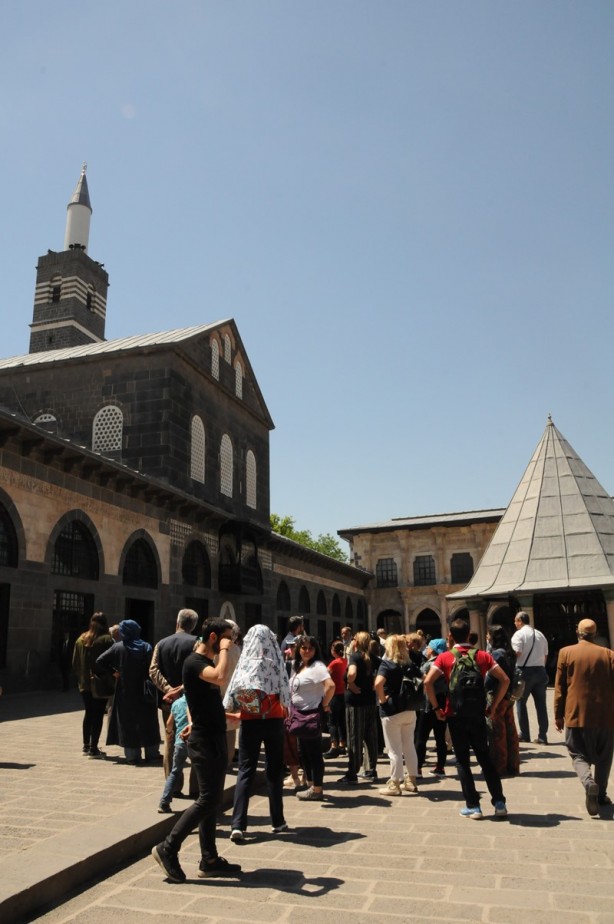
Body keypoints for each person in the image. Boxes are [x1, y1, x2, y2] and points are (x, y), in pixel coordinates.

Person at [152, 618, 241, 883]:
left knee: (210, 801)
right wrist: (225, 649)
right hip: (205, 741)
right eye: (225, 638)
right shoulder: (197, 661)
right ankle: (168, 847)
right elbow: (221, 676)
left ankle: (209, 859)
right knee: (207, 800)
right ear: (213, 637)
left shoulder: (197, 663)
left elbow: (195, 694)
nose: (229, 643)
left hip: (209, 734)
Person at [424, 618, 509, 819]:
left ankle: (473, 806)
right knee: (485, 758)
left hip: (455, 714)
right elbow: (504, 680)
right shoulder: (483, 656)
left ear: (451, 636)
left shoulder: (445, 657)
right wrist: (493, 706)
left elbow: (428, 682)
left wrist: (436, 708)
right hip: (478, 714)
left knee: (462, 760)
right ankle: (499, 803)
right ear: (469, 633)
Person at [223, 624, 290, 839]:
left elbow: (230, 698)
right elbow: (286, 693)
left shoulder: (244, 661)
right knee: (274, 771)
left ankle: (238, 824)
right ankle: (277, 821)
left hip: (250, 722)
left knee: (246, 771)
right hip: (274, 720)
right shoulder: (276, 660)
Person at [554, 618, 614, 816]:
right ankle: (601, 794)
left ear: (577, 633)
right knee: (605, 756)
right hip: (605, 715)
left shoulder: (566, 652)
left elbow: (560, 687)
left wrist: (558, 714)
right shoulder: (608, 654)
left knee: (577, 754)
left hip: (575, 713)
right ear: (595, 634)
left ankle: (589, 783)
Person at [95, 619, 161, 764]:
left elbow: (99, 661)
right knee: (148, 721)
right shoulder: (146, 647)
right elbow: (153, 667)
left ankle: (132, 756)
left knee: (128, 723)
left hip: (126, 691)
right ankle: (152, 753)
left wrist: (113, 672)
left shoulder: (118, 648)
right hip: (145, 690)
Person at [149, 608, 199, 786]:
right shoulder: (197, 643)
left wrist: (168, 689)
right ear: (194, 626)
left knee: (170, 739)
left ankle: (173, 784)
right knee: (194, 739)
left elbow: (153, 670)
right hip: (192, 700)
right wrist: (182, 690)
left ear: (177, 623)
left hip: (168, 701)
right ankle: (195, 786)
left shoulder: (161, 643)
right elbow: (198, 670)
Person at [289, 634, 335, 801]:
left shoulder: (317, 666)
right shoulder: (300, 665)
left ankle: (317, 789)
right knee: (304, 752)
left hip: (311, 714)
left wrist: (324, 704)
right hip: (299, 714)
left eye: (310, 648)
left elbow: (330, 686)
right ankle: (310, 784)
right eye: (303, 648)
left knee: (314, 752)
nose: (307, 651)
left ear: (316, 650)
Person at [374, 634, 420, 796]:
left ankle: (395, 783)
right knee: (409, 745)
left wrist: (382, 700)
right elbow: (424, 679)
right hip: (409, 709)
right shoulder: (409, 664)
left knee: (393, 749)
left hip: (391, 710)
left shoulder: (387, 664)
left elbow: (378, 683)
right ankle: (411, 780)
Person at [339, 630, 379, 785]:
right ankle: (371, 770)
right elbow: (379, 678)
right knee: (371, 736)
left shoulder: (355, 656)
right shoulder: (374, 658)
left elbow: (351, 673)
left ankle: (352, 771)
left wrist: (351, 683)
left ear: (357, 642)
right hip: (369, 700)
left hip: (355, 702)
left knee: (355, 736)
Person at [72, 612, 114, 757]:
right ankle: (94, 748)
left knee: (89, 713)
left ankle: (86, 745)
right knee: (98, 715)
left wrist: (81, 678)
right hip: (100, 683)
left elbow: (75, 663)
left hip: (84, 684)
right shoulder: (105, 640)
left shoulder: (80, 639)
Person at [485, 625, 520, 776]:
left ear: (493, 637)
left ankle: (498, 767)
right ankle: (512, 765)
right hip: (508, 696)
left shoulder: (497, 654)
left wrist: (492, 703)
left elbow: (496, 679)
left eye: (488, 635)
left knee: (497, 732)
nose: (486, 637)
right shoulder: (508, 652)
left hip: (497, 695)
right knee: (510, 730)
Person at [511, 612, 549, 744]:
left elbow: (517, 652)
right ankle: (543, 736)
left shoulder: (519, 634)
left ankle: (524, 733)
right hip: (540, 670)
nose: (515, 624)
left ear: (520, 621)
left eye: (516, 621)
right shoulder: (540, 634)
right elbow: (545, 655)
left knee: (521, 702)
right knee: (541, 705)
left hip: (525, 671)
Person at [415, 638, 449, 778]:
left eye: (428, 647)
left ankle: (417, 768)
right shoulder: (446, 663)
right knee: (440, 737)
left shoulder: (429, 665)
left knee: (421, 737)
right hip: (442, 703)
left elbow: (421, 682)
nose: (426, 649)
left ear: (433, 650)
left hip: (429, 704)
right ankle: (440, 767)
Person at [158, 693, 190, 813]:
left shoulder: (176, 703)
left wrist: (170, 733)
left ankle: (164, 802)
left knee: (175, 771)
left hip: (179, 741)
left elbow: (169, 723)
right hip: (194, 741)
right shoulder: (195, 702)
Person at [324, 641, 347, 758]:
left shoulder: (333, 663)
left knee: (332, 721)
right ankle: (343, 744)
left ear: (334, 650)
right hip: (343, 694)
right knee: (342, 721)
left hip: (334, 695)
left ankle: (334, 745)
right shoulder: (345, 662)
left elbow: (325, 675)